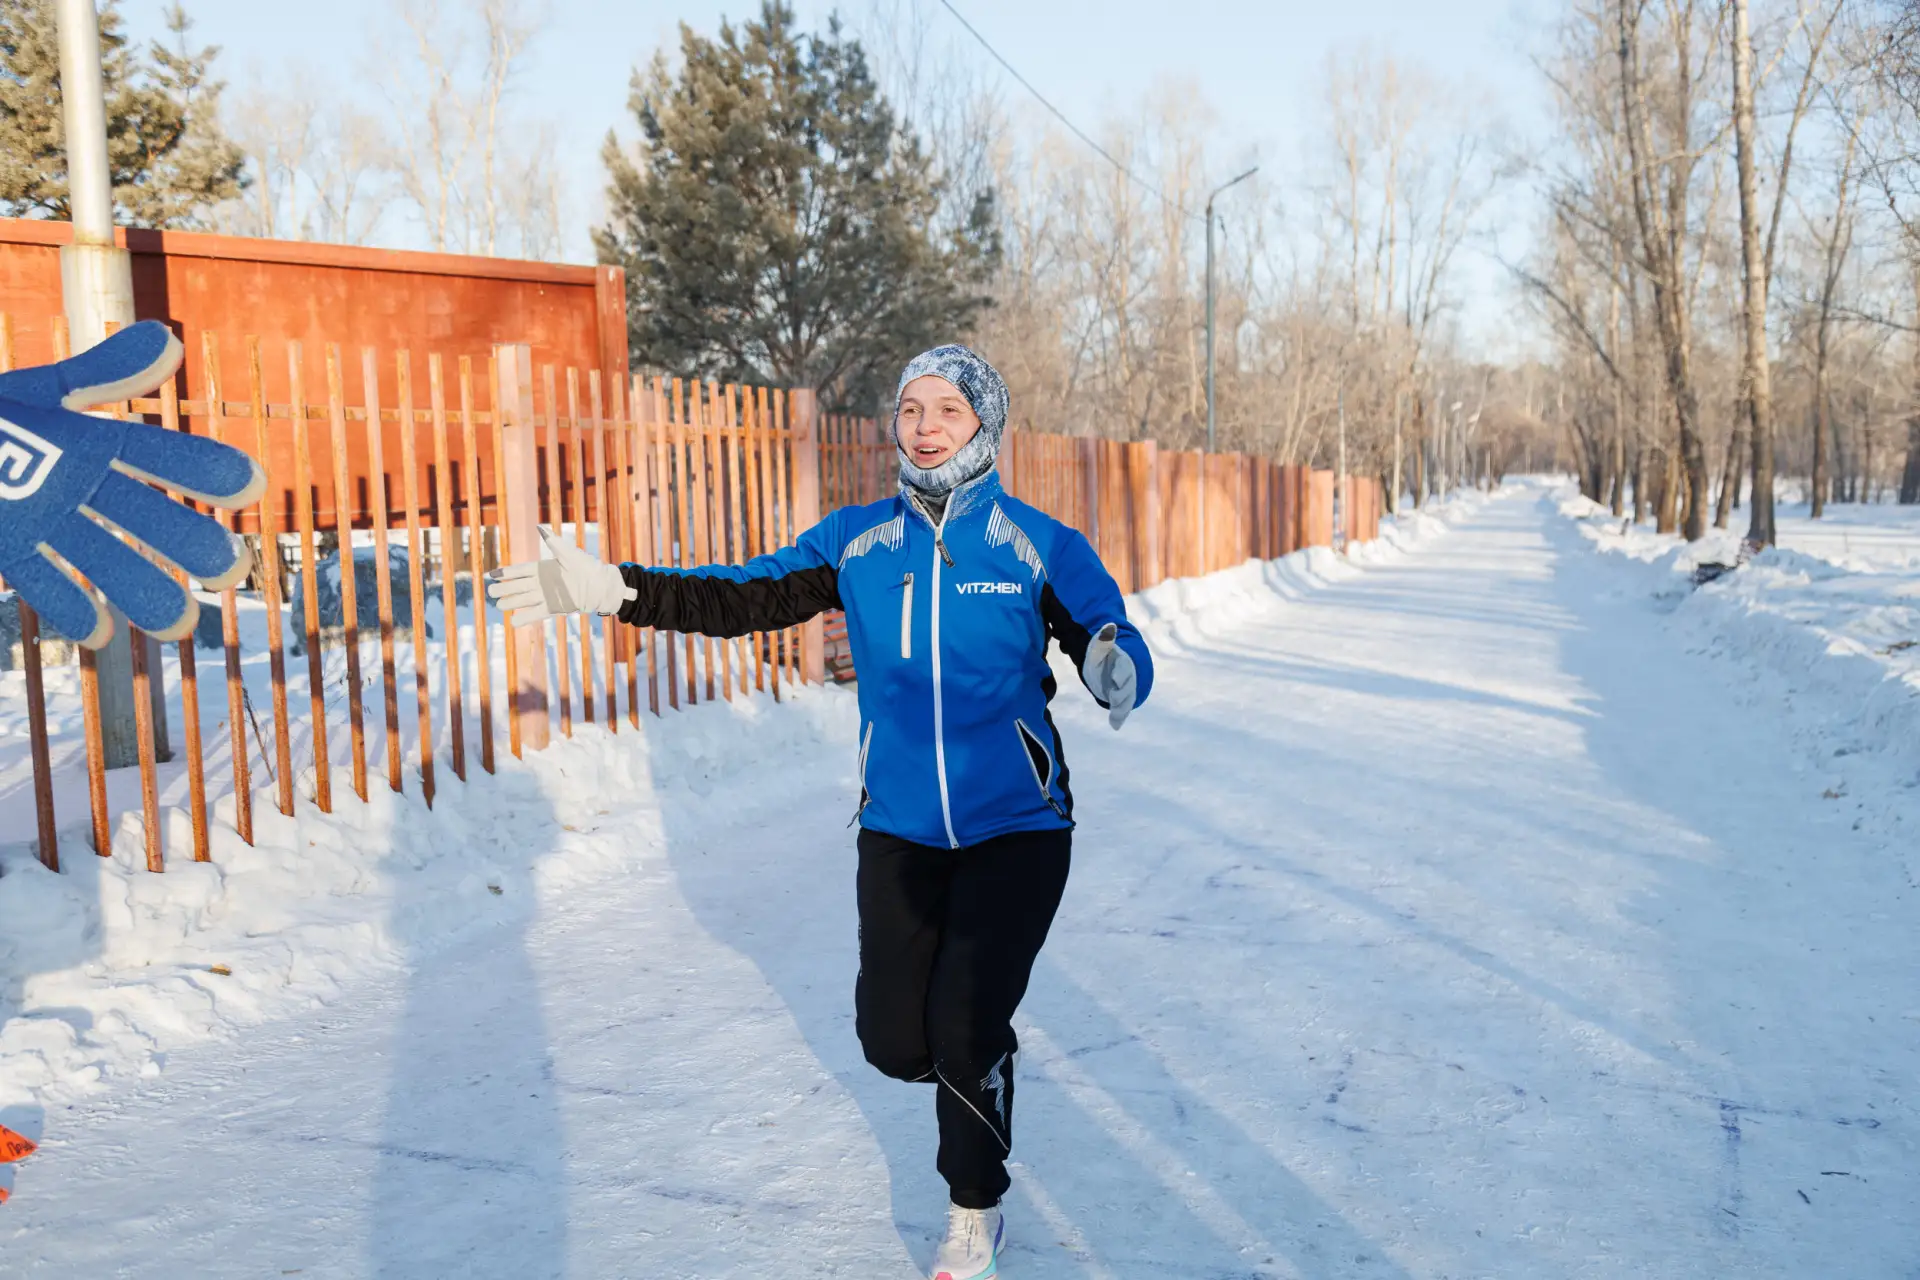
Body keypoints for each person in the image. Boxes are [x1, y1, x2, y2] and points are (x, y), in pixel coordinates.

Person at [488, 344, 1153, 1280]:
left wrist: (1116, 666)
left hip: (1018, 826)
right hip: (899, 830)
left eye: (948, 410)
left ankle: (974, 1208)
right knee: (895, 1043)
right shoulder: (857, 542)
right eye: (911, 409)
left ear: (986, 426)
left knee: (964, 1023)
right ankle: (973, 1064)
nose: (925, 427)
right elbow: (743, 595)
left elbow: (1104, 629)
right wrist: (615, 590)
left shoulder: (1037, 543)